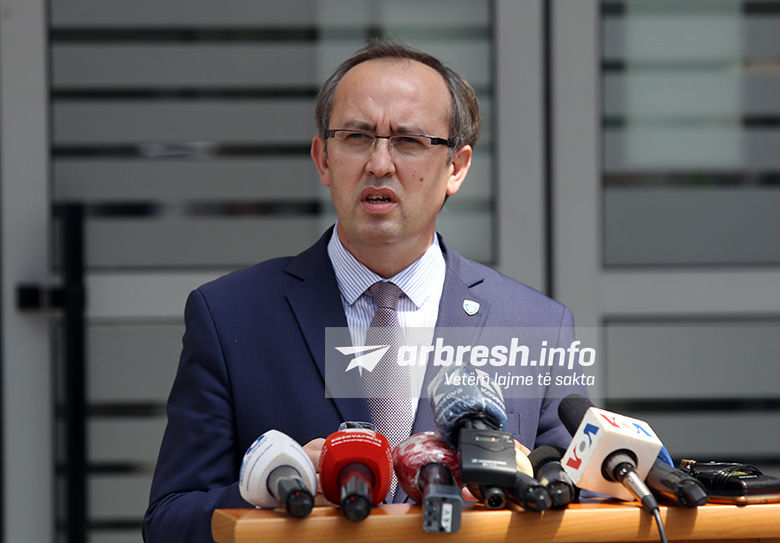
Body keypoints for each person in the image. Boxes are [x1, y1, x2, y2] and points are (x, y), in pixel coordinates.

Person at [143, 40, 588, 543]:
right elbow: (170, 522)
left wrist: (519, 492)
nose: (379, 163)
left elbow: (585, 505)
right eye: (357, 137)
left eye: (409, 140)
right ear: (323, 159)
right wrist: (276, 490)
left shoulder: (535, 325)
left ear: (456, 168)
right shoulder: (230, 316)